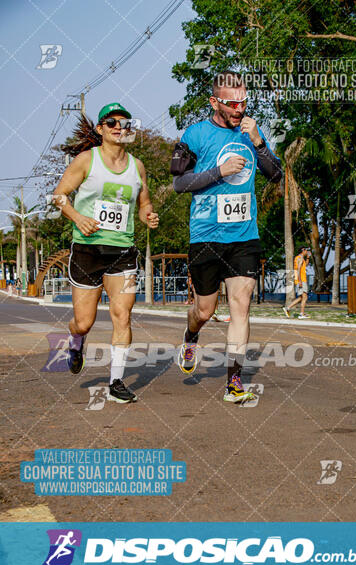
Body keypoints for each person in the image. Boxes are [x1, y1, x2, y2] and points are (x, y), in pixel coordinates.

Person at [173, 71, 282, 402]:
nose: (239, 108)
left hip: (244, 235)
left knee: (241, 304)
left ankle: (234, 383)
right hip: (206, 234)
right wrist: (218, 171)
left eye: (244, 101)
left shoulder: (251, 132)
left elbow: (275, 173)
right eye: (232, 103)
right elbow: (179, 183)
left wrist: (260, 142)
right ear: (214, 102)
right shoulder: (195, 134)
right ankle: (191, 335)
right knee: (204, 310)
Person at [52, 102, 159, 403]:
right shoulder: (87, 160)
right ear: (100, 129)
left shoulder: (137, 167)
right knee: (83, 322)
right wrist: (78, 217)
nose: (118, 127)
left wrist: (148, 216)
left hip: (122, 252)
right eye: (111, 122)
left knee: (121, 315)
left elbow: (144, 203)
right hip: (87, 251)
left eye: (124, 123)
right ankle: (75, 342)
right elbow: (59, 196)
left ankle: (116, 382)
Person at [283, 247, 311, 319]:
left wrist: (308, 258)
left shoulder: (300, 258)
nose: (307, 252)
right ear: (303, 251)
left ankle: (288, 308)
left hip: (300, 279)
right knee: (305, 297)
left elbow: (305, 266)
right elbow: (298, 269)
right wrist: (300, 281)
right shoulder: (300, 258)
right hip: (301, 279)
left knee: (301, 297)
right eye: (306, 250)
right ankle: (301, 314)